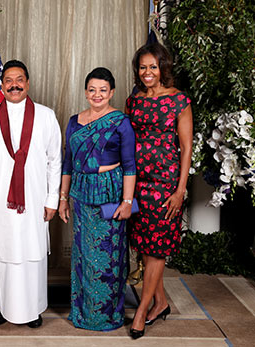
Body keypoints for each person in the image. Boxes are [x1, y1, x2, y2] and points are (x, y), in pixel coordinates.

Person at [0, 60, 62, 328]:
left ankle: (34, 309)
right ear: (2, 85)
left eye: (19, 79)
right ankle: (5, 307)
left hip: (35, 199)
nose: (14, 85)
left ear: (27, 83)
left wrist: (52, 199)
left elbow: (55, 160)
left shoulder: (46, 115)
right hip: (0, 199)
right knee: (7, 253)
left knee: (31, 254)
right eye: (9, 80)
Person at [59, 67, 136, 331]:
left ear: (111, 92)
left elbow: (129, 165)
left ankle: (107, 315)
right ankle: (82, 313)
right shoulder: (73, 122)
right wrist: (63, 198)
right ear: (85, 92)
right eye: (92, 90)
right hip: (81, 194)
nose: (97, 95)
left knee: (109, 255)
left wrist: (127, 202)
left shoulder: (120, 122)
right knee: (83, 255)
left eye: (103, 90)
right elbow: (67, 163)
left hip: (111, 193)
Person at [125, 43, 193, 339]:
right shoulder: (134, 99)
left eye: (153, 66)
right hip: (137, 182)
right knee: (145, 245)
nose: (147, 72)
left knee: (157, 248)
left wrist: (181, 190)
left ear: (163, 67)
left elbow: (187, 148)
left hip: (165, 184)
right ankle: (161, 302)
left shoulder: (179, 100)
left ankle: (142, 311)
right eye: (142, 67)